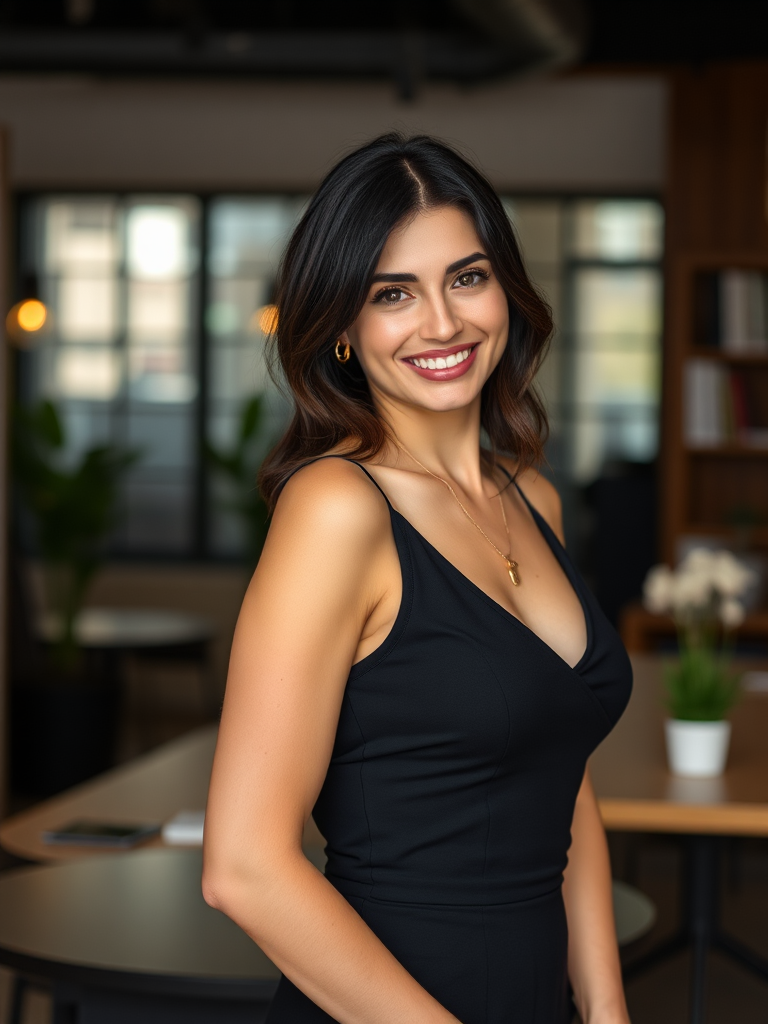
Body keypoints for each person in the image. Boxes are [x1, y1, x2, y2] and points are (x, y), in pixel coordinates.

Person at [202, 133, 633, 1024]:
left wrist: (606, 1008)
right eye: (392, 294)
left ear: (506, 290)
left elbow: (562, 778)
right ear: (345, 330)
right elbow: (244, 867)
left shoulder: (534, 500)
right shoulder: (337, 508)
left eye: (467, 278)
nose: (443, 323)